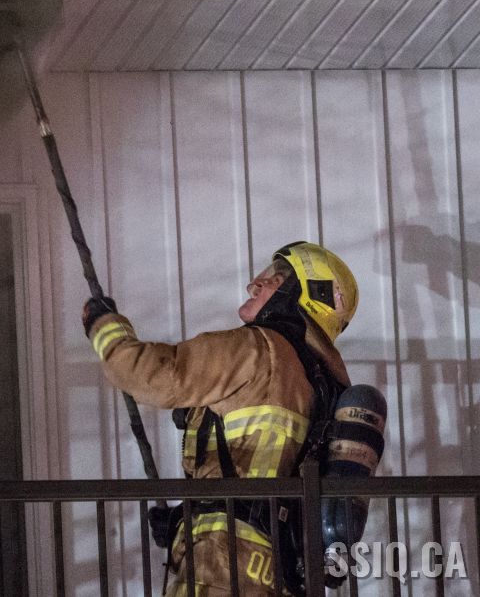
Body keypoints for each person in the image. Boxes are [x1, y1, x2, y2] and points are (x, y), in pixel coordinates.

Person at [82, 241, 358, 596]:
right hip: (278, 574)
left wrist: (104, 325)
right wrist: (188, 518)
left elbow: (153, 375)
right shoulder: (326, 387)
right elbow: (262, 477)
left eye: (275, 279)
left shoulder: (259, 348)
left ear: (305, 296)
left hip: (223, 565)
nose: (254, 285)